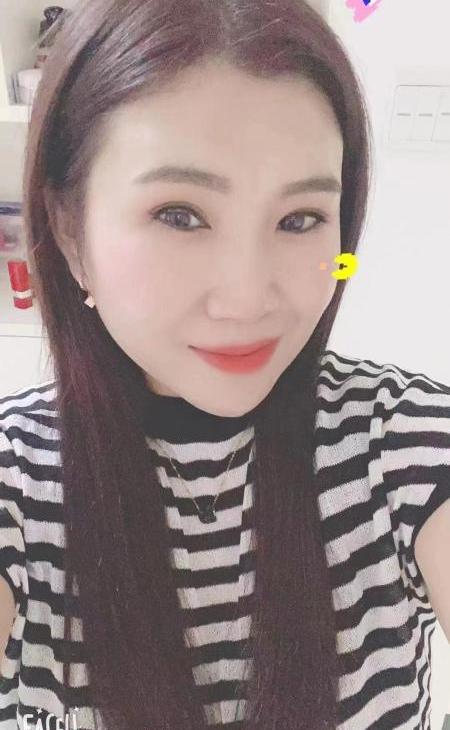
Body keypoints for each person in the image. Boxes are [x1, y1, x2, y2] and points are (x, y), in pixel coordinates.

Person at [0, 0, 449, 729]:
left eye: (300, 219)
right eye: (179, 214)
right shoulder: (19, 481)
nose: (247, 300)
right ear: (71, 232)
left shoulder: (405, 443)